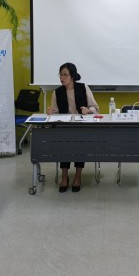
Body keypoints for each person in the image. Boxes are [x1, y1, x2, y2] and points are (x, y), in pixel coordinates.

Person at [46, 62, 99, 193]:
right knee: (64, 145)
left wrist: (88, 110)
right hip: (65, 127)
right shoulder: (57, 92)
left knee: (80, 144)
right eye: (60, 75)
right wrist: (51, 112)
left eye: (65, 75)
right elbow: (56, 112)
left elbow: (95, 108)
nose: (62, 77)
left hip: (81, 127)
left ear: (72, 76)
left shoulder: (83, 88)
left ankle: (78, 176)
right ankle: (64, 176)